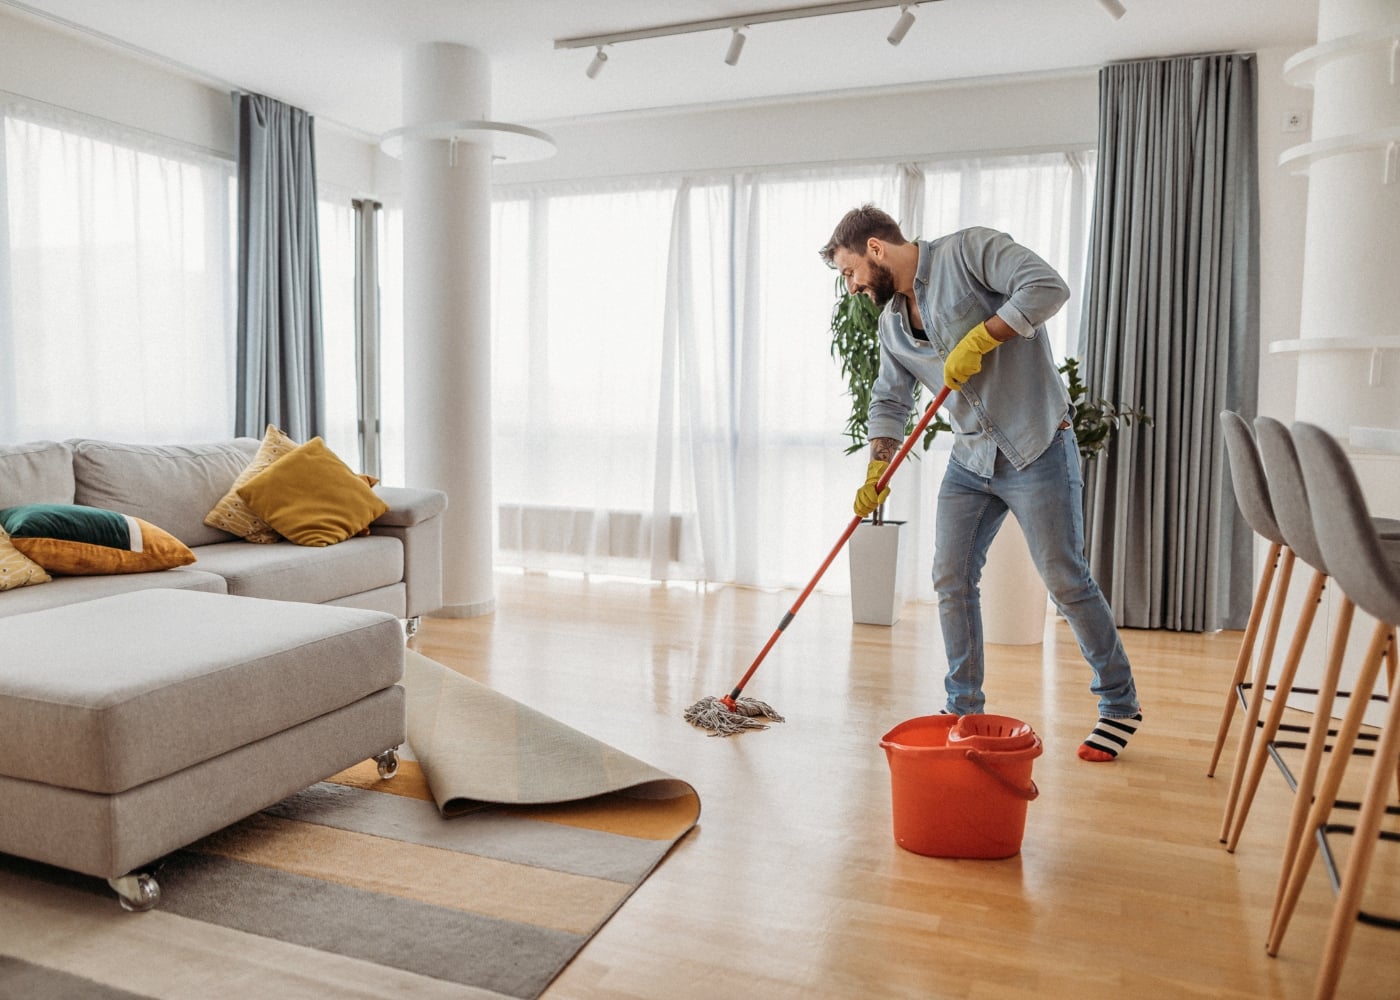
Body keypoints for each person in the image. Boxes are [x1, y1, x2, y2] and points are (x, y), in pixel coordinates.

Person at [819, 205, 1142, 762]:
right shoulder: (894, 322)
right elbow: (890, 400)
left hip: (1036, 441)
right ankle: (963, 706)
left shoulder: (967, 252)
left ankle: (1118, 703)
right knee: (951, 578)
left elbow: (1047, 287)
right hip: (971, 459)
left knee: (1066, 579)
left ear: (874, 249)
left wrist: (984, 336)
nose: (850, 289)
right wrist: (878, 465)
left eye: (848, 272)